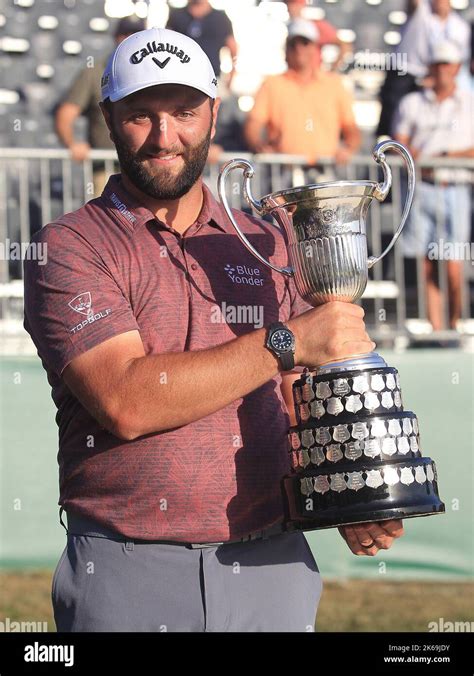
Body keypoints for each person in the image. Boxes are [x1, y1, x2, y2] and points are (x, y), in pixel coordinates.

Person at [24, 27, 404, 633]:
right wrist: (288, 340)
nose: (164, 136)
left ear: (214, 113)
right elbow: (125, 401)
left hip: (272, 563)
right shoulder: (70, 246)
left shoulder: (268, 240)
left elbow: (295, 394)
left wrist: (353, 490)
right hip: (129, 571)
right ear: (108, 118)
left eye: (184, 112)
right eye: (141, 115)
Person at [393, 41, 473, 331]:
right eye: (437, 63)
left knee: (452, 267)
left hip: (454, 188)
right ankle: (439, 331)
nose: (441, 70)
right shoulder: (411, 103)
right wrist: (412, 152)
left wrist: (446, 157)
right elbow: (398, 141)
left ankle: (453, 326)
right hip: (423, 189)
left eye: (446, 64)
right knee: (427, 265)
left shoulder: (470, 103)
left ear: (456, 68)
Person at [244, 19, 361, 167]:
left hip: (326, 172)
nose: (299, 48)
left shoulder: (334, 84)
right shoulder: (271, 84)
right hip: (285, 174)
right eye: (294, 44)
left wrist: (348, 149)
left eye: (305, 43)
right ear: (287, 49)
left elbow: (351, 128)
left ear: (315, 48)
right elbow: (253, 123)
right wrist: (259, 145)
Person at [55, 15, 146, 196]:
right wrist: (72, 143)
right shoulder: (95, 72)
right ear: (116, 37)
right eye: (125, 34)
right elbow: (66, 114)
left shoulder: (151, 72)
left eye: (136, 34)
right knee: (107, 222)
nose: (129, 39)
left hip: (146, 167)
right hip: (107, 169)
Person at [377, 0, 470, 139]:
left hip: (437, 77)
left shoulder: (460, 26)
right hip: (404, 71)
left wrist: (438, 75)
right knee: (393, 120)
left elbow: (460, 58)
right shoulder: (421, 11)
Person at [166, 0, 237, 84]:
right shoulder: (176, 16)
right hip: (182, 79)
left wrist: (231, 76)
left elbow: (233, 48)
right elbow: (166, 44)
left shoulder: (221, 18)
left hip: (212, 79)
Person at [284, 0, 351, 71]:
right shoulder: (289, 26)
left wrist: (332, 70)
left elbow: (344, 45)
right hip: (293, 78)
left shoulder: (315, 26)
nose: (299, 49)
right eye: (288, 4)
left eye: (305, 43)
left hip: (313, 77)